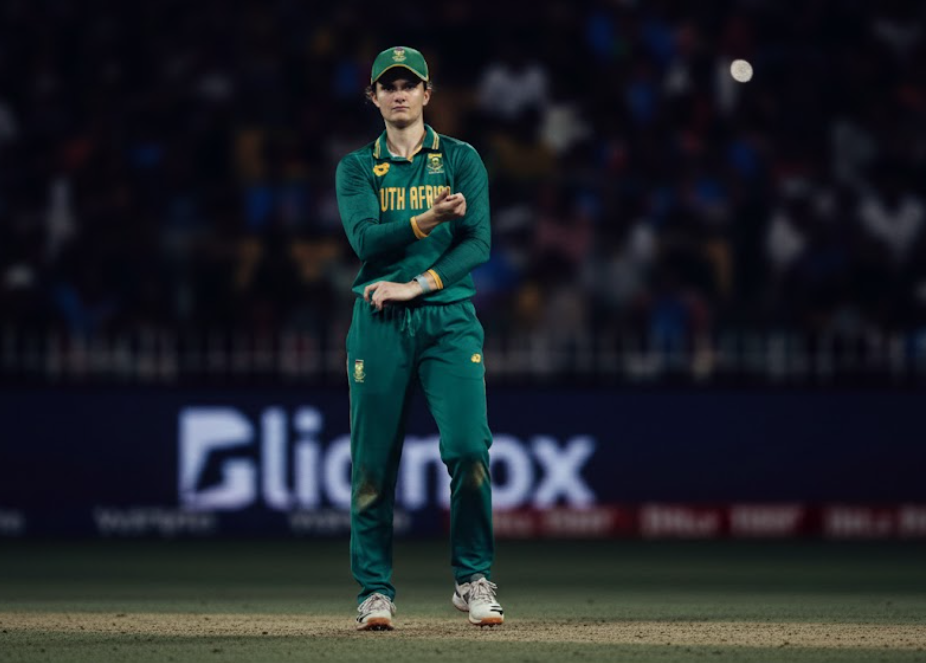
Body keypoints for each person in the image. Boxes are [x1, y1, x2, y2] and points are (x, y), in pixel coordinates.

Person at [335, 46, 504, 631]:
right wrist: (427, 221)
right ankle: (374, 592)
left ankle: (473, 578)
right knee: (373, 465)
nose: (400, 93)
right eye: (389, 85)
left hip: (448, 319)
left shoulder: (460, 158)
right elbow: (365, 240)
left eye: (410, 84)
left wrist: (418, 284)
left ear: (428, 93)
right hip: (379, 322)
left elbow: (478, 243)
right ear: (374, 97)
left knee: (469, 450)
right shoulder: (357, 167)